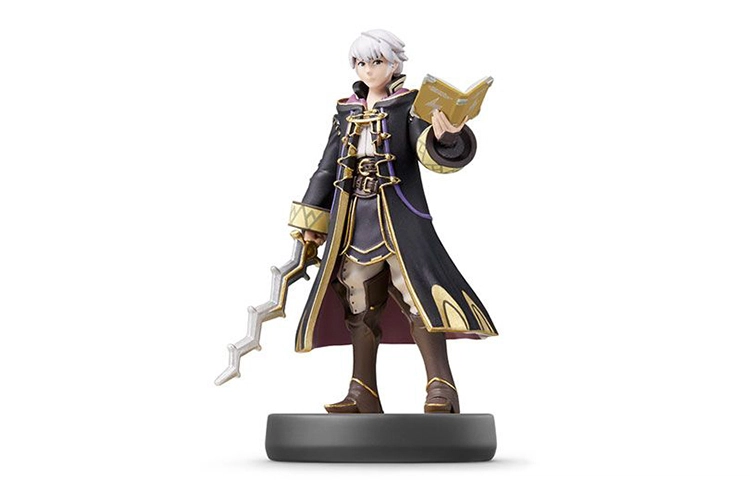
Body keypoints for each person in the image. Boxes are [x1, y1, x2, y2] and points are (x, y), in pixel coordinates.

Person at [287, 29, 497, 414]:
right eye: (361, 62)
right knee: (357, 302)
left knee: (419, 298)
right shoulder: (346, 111)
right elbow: (327, 167)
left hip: (399, 221)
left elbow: (429, 152)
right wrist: (311, 219)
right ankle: (362, 392)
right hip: (354, 220)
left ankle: (441, 388)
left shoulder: (409, 107)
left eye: (377, 61)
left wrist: (445, 136)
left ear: (394, 63)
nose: (368, 70)